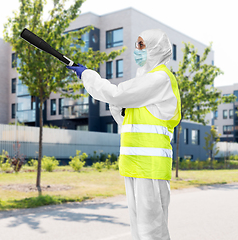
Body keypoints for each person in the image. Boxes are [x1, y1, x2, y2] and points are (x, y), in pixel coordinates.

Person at [67, 29, 181, 240]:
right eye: (136, 44)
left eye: (141, 45)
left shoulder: (160, 79)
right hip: (134, 166)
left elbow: (118, 94)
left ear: (156, 49)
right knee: (139, 231)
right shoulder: (144, 83)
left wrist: (88, 76)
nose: (136, 50)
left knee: (152, 232)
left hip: (151, 168)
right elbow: (121, 112)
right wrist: (115, 101)